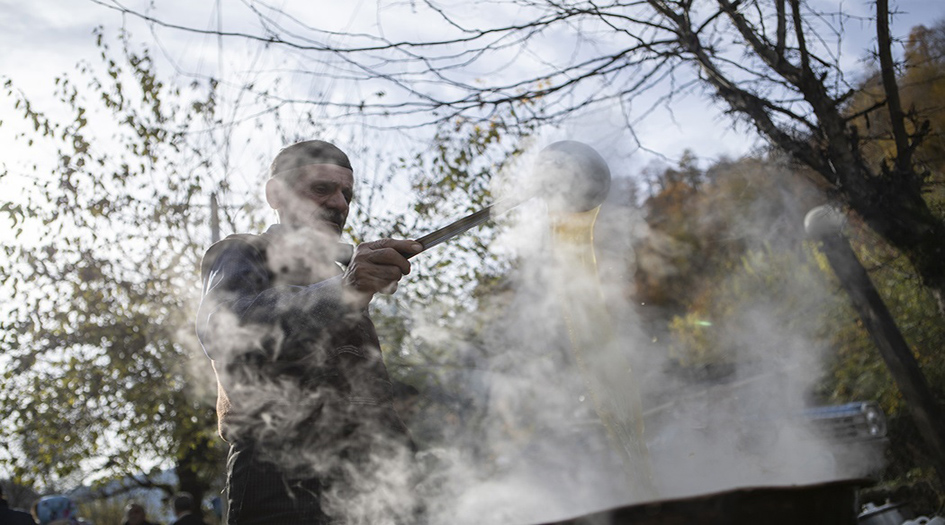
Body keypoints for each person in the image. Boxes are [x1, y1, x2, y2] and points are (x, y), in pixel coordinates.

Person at [196, 140, 423, 525]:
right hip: (282, 481)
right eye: (322, 189)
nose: (339, 204)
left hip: (372, 482)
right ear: (276, 194)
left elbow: (365, 396)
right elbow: (225, 332)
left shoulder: (337, 280)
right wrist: (344, 291)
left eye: (346, 194)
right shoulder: (243, 252)